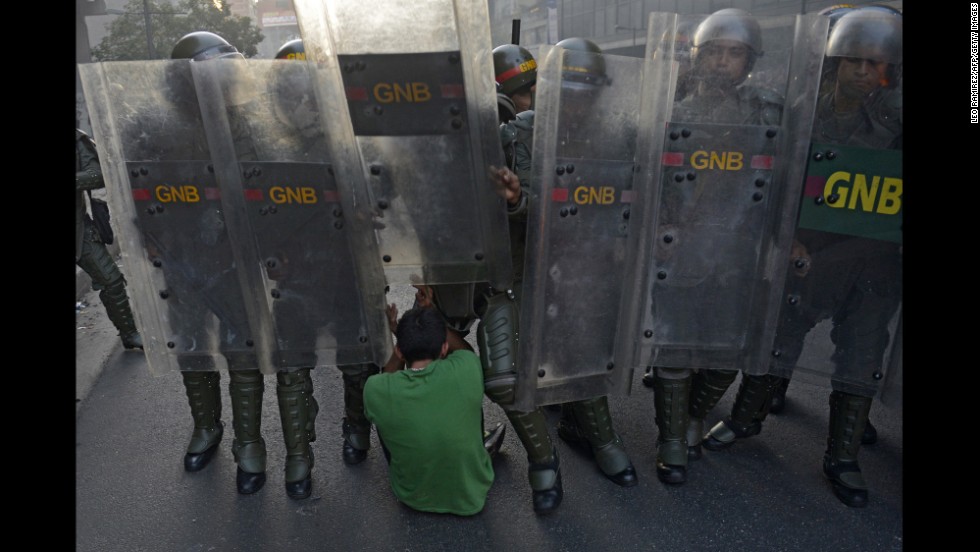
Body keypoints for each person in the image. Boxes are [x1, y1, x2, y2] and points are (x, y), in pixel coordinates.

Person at [698, 7, 902, 508]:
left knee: (861, 355)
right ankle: (746, 419)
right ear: (833, 62)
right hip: (807, 249)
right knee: (776, 337)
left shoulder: (896, 115)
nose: (861, 72)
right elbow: (775, 178)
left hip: (873, 259)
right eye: (852, 60)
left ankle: (843, 455)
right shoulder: (801, 110)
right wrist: (783, 236)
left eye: (874, 64)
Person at [643, 8, 785, 486]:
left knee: (727, 352)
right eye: (715, 52)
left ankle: (691, 417)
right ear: (699, 58)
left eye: (735, 53)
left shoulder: (770, 113)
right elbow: (646, 178)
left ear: (749, 60)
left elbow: (787, 182)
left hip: (737, 254)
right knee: (674, 349)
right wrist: (658, 225)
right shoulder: (668, 112)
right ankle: (671, 440)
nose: (724, 62)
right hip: (680, 251)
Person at [270, 37, 385, 474]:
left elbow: (386, 182)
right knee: (292, 368)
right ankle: (299, 455)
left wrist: (370, 203)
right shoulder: (270, 144)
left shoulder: (356, 139)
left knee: (357, 359)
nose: (304, 103)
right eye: (292, 93)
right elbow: (254, 209)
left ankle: (356, 428)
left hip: (351, 267)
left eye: (310, 92)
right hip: (296, 274)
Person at [364, 307, 495, 516]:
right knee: (468, 398)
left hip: (412, 496)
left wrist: (399, 334)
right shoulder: (467, 368)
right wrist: (436, 316)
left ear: (399, 351)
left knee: (386, 412)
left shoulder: (376, 389)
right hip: (472, 498)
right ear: (443, 348)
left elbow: (389, 375)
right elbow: (463, 351)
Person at [75, 127, 143, 351]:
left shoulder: (78, 139)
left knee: (111, 280)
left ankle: (129, 333)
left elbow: (98, 174)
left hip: (80, 231)